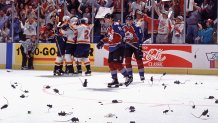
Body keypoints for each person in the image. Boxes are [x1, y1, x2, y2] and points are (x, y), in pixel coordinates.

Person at [97, 13, 132, 87]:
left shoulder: (116, 25)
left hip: (118, 47)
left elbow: (121, 34)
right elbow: (109, 38)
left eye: (106, 18)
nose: (105, 20)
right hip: (112, 48)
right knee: (111, 64)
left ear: (110, 18)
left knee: (117, 64)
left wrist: (123, 38)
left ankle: (128, 77)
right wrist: (102, 41)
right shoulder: (109, 28)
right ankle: (115, 80)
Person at [122, 15, 145, 82]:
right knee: (127, 61)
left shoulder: (137, 27)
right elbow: (120, 35)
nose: (129, 21)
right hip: (127, 46)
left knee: (139, 60)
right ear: (126, 21)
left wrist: (140, 45)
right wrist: (122, 39)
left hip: (136, 45)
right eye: (127, 20)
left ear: (132, 20)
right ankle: (130, 76)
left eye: (130, 20)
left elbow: (141, 36)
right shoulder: (123, 27)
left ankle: (142, 75)